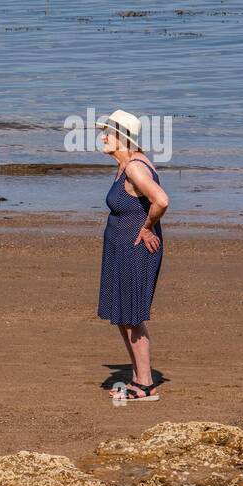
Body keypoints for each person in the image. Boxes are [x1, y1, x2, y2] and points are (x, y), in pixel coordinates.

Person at [96, 109, 169, 402]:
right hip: (121, 245)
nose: (102, 137)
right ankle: (139, 378)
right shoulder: (126, 164)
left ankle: (147, 385)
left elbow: (161, 200)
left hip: (135, 247)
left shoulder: (134, 168)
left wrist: (148, 226)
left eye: (107, 133)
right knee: (123, 316)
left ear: (122, 138)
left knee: (132, 316)